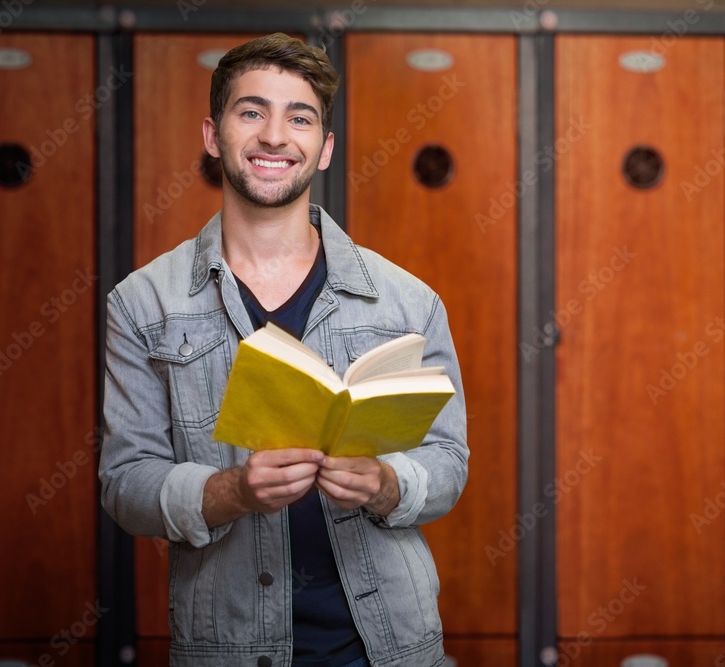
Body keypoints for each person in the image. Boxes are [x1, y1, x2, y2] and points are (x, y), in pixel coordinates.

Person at [99, 33, 468, 667]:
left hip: (391, 647)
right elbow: (126, 483)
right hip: (228, 650)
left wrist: (384, 482)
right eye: (252, 112)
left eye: (299, 117)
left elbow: (448, 460)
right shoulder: (141, 304)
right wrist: (232, 491)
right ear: (213, 136)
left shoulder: (409, 302)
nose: (275, 135)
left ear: (323, 149)